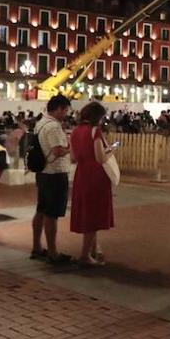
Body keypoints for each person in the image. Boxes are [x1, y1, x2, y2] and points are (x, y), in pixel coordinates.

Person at [70, 102, 115, 268]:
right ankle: (85, 254)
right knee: (93, 214)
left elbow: (72, 158)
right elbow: (100, 158)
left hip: (81, 174)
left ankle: (93, 249)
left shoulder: (75, 132)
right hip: (96, 175)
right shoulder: (95, 132)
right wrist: (111, 150)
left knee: (86, 211)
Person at [31, 95, 73, 264]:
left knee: (41, 210)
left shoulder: (40, 123)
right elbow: (57, 151)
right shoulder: (54, 127)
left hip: (42, 172)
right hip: (55, 173)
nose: (66, 114)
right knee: (52, 214)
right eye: (66, 110)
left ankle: (37, 246)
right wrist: (70, 147)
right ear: (59, 108)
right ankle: (53, 252)